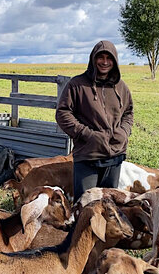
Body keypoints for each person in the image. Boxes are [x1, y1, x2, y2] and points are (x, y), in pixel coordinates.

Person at [55, 40, 133, 202]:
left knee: (109, 205)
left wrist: (123, 132)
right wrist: (87, 134)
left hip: (115, 156)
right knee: (85, 205)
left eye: (109, 58)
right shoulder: (77, 85)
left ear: (115, 61)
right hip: (88, 156)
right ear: (93, 59)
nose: (105, 62)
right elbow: (63, 114)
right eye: (101, 57)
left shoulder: (121, 87)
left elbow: (128, 113)